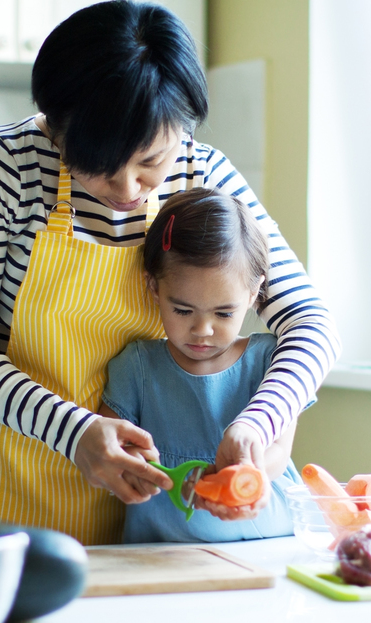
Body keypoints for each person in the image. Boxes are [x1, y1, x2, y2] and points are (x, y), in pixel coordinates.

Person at [0, 0, 340, 546]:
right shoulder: (1, 164)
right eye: (100, 167)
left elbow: (312, 324)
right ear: (58, 132)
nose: (129, 190)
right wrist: (77, 431)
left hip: (127, 509)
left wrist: (259, 422)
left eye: (150, 161)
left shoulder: (202, 171)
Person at [100, 188, 306, 543]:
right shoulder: (136, 367)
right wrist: (144, 468)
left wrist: (245, 477)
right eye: (183, 310)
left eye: (224, 313)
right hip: (162, 553)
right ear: (153, 286)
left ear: (254, 293)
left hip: (270, 543)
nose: (202, 330)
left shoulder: (270, 359)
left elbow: (278, 451)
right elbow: (115, 446)